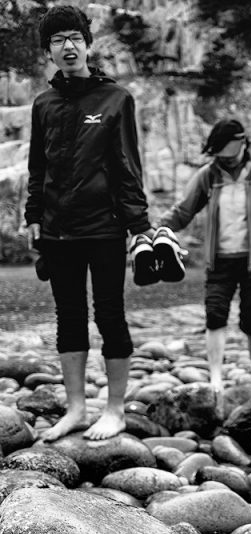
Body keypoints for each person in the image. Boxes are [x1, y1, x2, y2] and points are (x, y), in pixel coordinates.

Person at [22, 6, 152, 442]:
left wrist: (141, 226)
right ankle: (76, 408)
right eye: (58, 40)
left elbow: (126, 166)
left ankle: (114, 410)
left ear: (87, 44)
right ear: (49, 52)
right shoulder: (43, 104)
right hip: (58, 229)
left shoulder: (116, 99)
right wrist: (33, 217)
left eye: (74, 37)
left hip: (105, 228)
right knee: (69, 317)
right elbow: (36, 167)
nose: (68, 46)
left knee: (110, 315)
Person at [156, 119, 251, 393]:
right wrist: (156, 230)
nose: (226, 161)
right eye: (220, 155)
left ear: (243, 145)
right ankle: (215, 379)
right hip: (219, 259)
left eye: (229, 154)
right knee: (215, 314)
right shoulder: (208, 176)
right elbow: (183, 211)